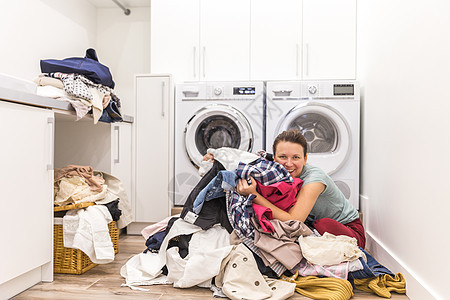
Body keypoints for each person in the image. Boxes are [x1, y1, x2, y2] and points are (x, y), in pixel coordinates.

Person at [203, 129, 366, 248]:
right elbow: (244, 158)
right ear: (274, 158)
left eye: (296, 157)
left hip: (348, 230)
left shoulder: (314, 180)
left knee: (321, 224)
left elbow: (293, 220)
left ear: (305, 159)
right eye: (282, 157)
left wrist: (253, 195)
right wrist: (215, 158)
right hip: (311, 222)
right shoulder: (274, 169)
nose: (288, 163)